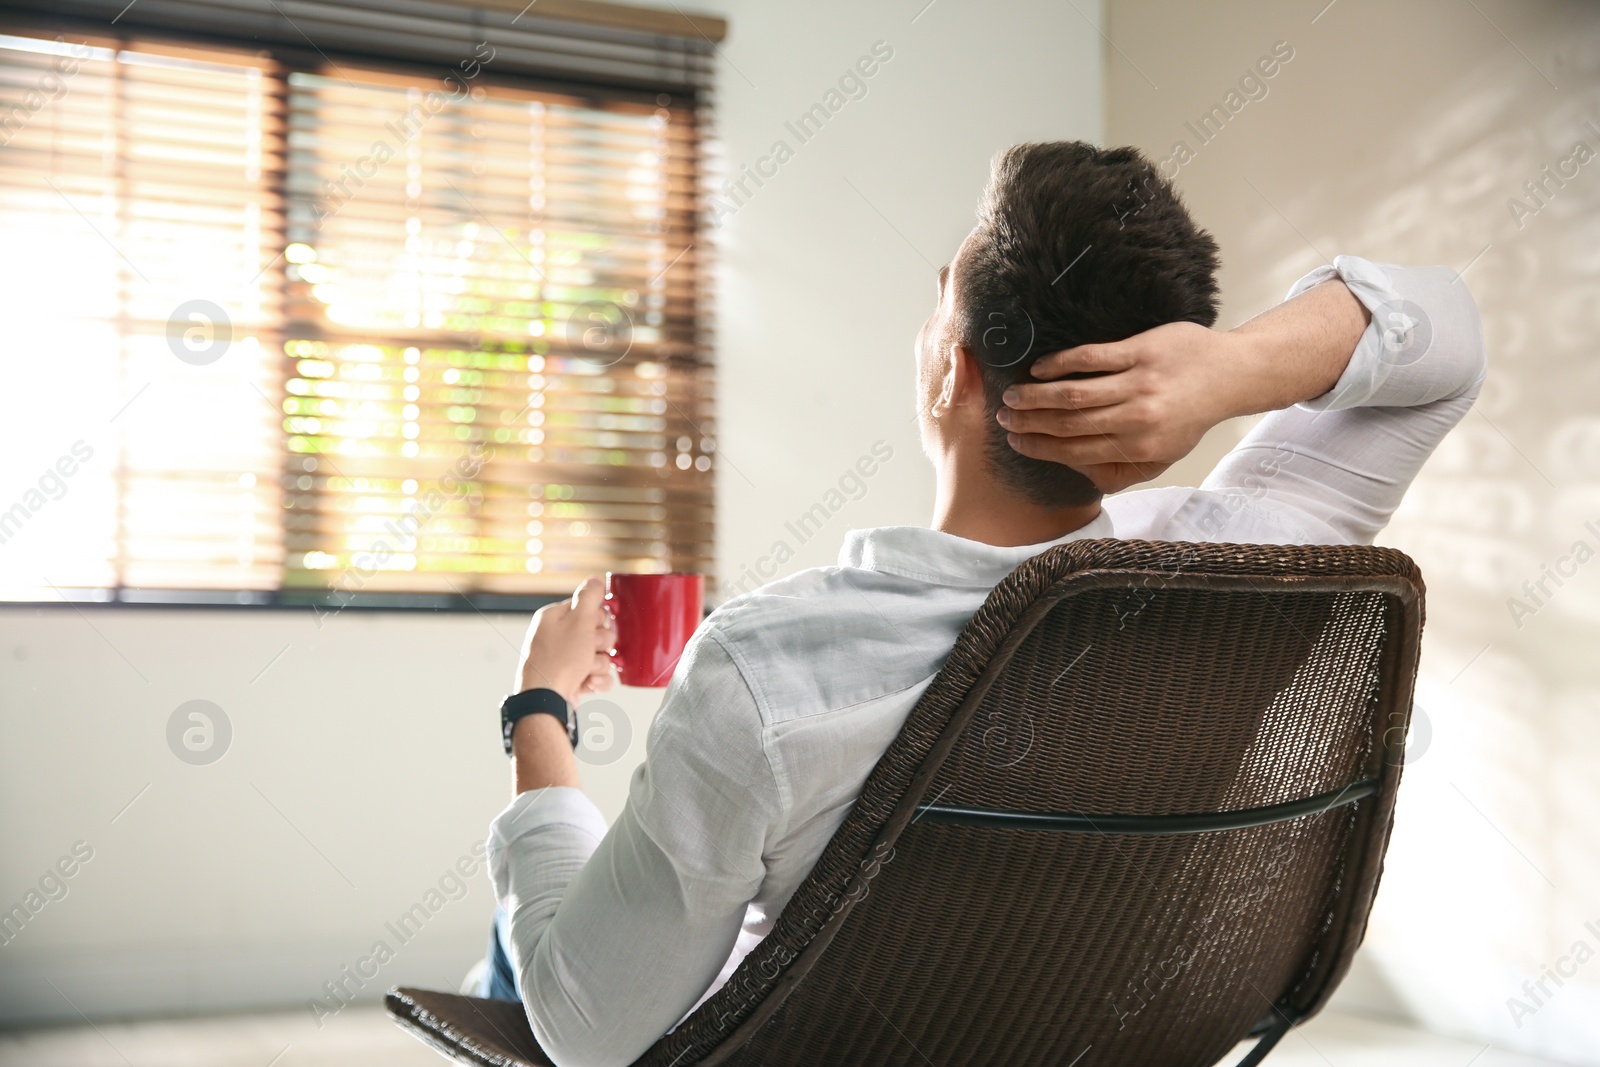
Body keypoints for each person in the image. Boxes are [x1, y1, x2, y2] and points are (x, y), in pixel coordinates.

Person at [482, 141, 1486, 1067]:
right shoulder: (1242, 565)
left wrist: (541, 713)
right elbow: (1448, 337)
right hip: (1087, 1027)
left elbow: (590, 1034)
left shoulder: (765, 665)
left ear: (951, 367)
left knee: (531, 931)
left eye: (938, 301)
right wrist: (1229, 371)